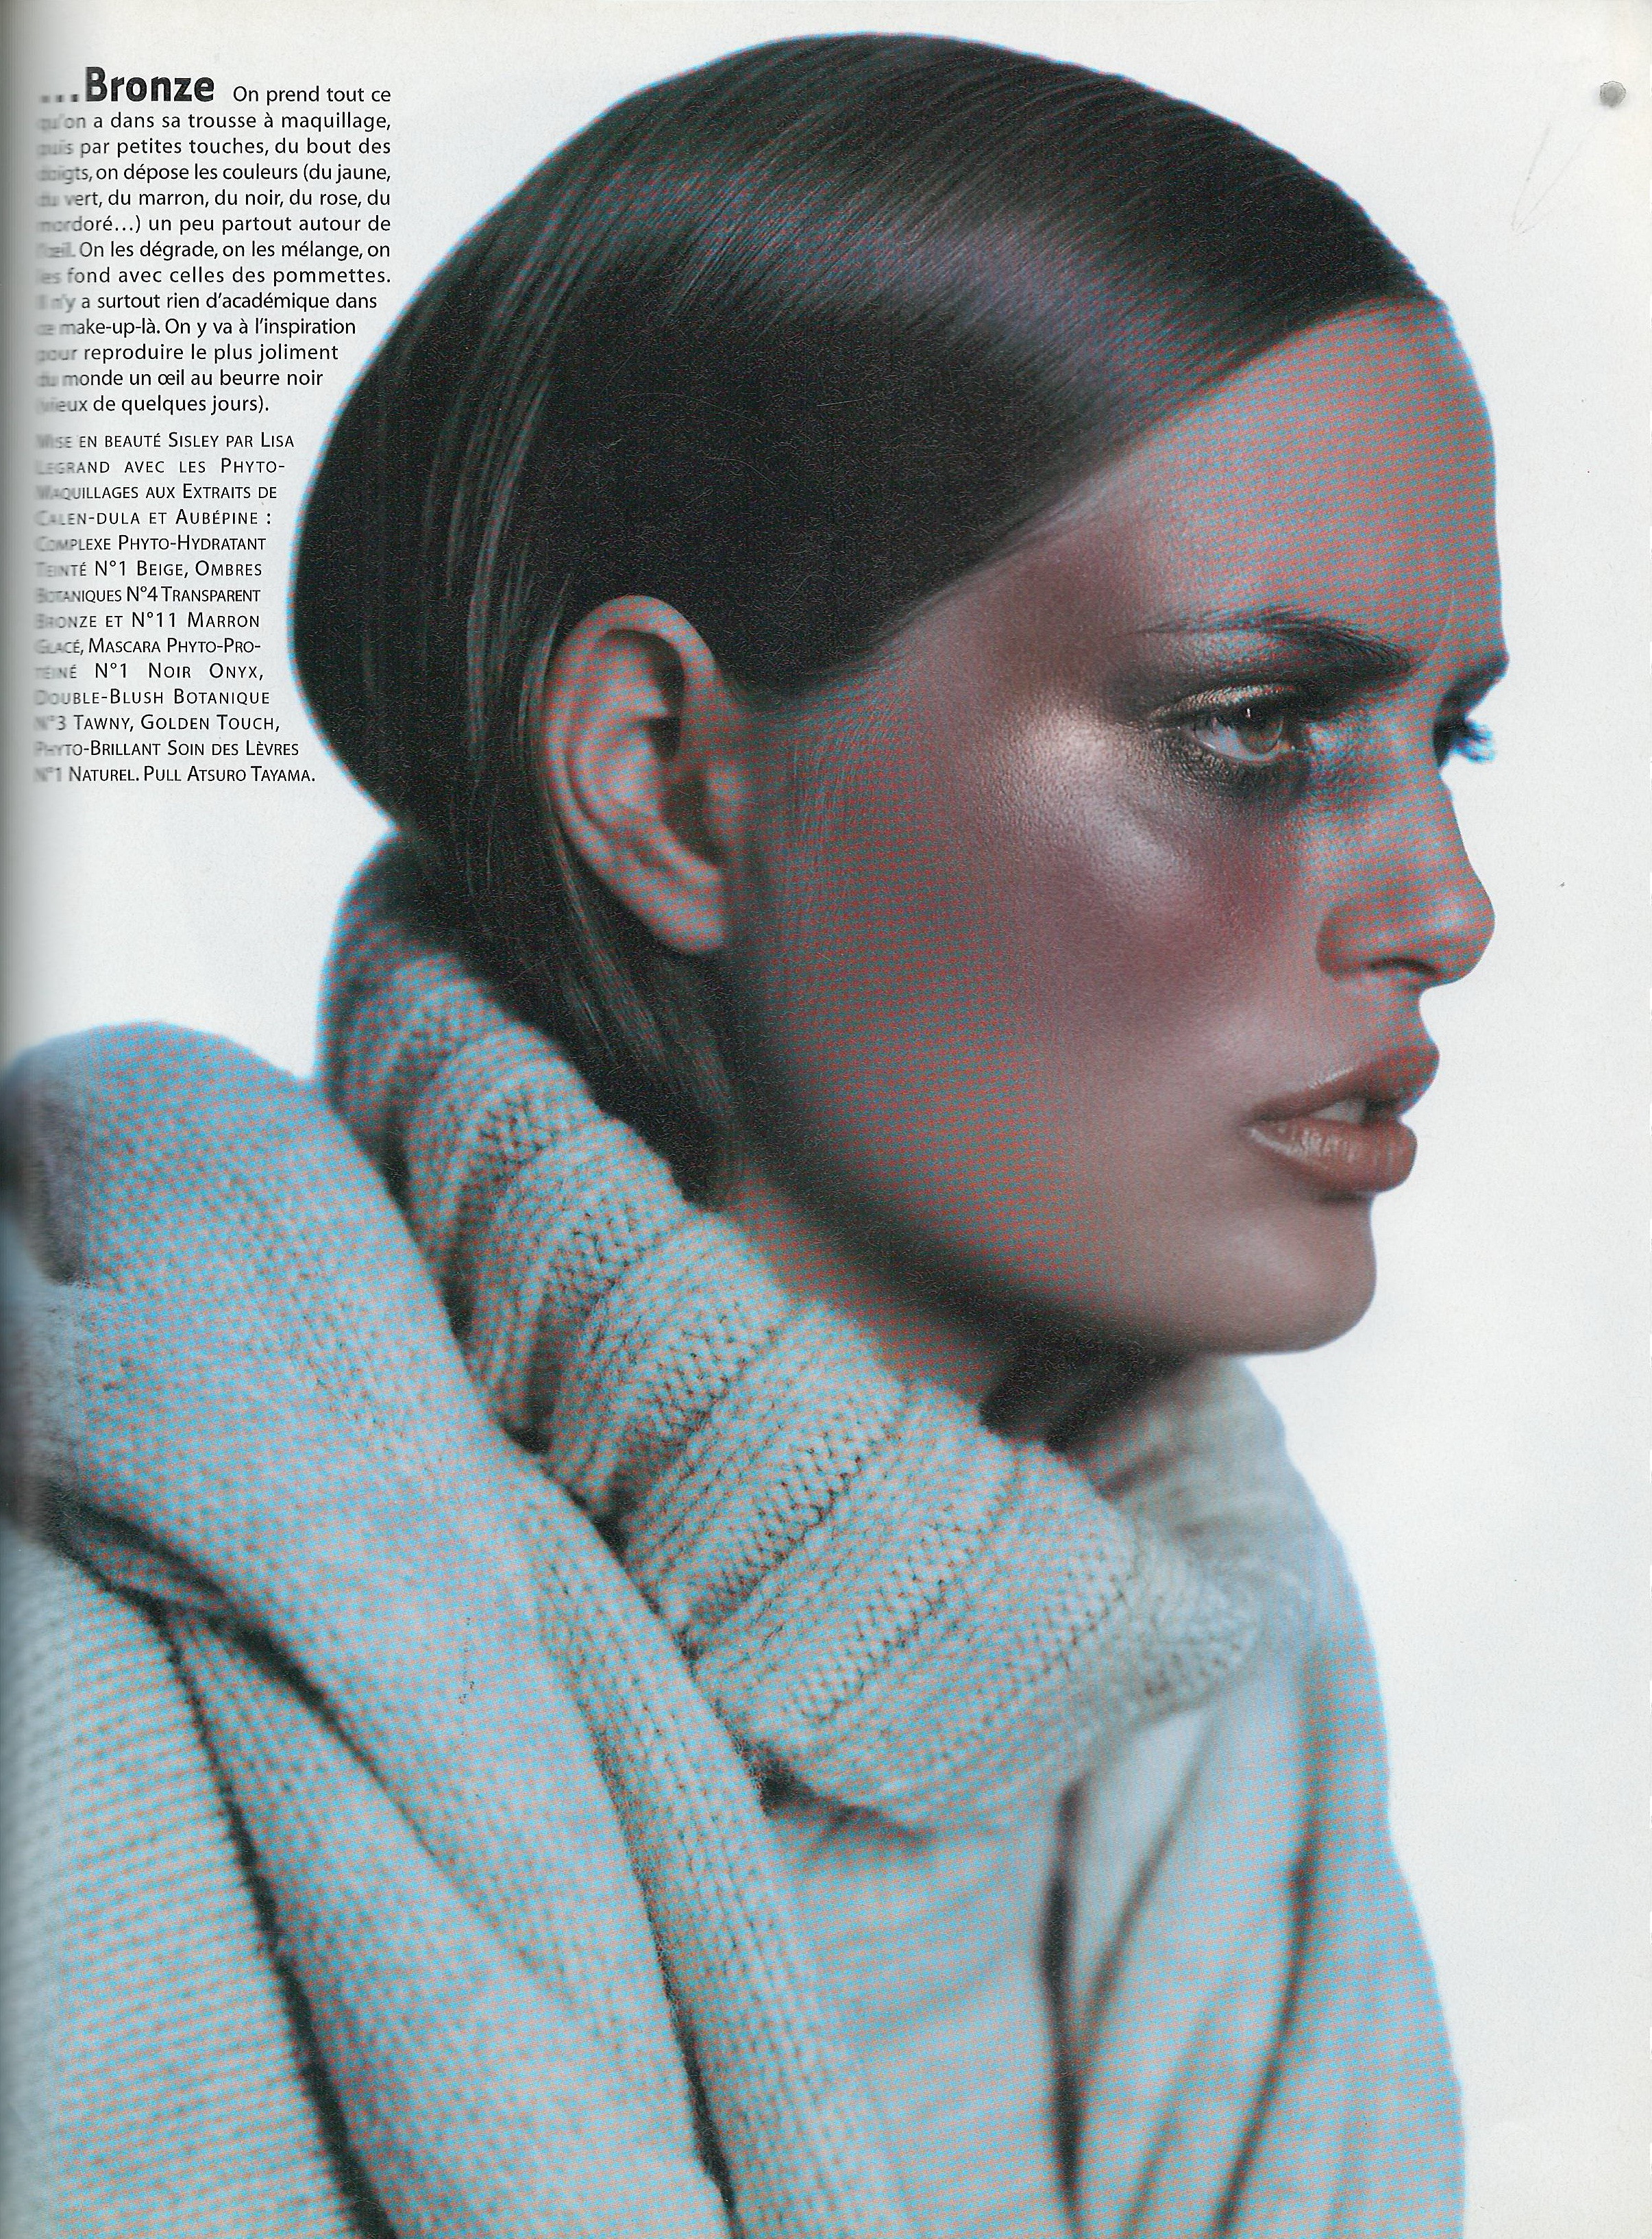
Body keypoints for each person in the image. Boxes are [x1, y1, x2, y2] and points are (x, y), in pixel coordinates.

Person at [3, 32, 1503, 2239]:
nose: (1446, 910)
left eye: (1451, 737)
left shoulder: (1228, 1693)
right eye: (1252, 724)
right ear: (665, 777)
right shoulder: (68, 1754)